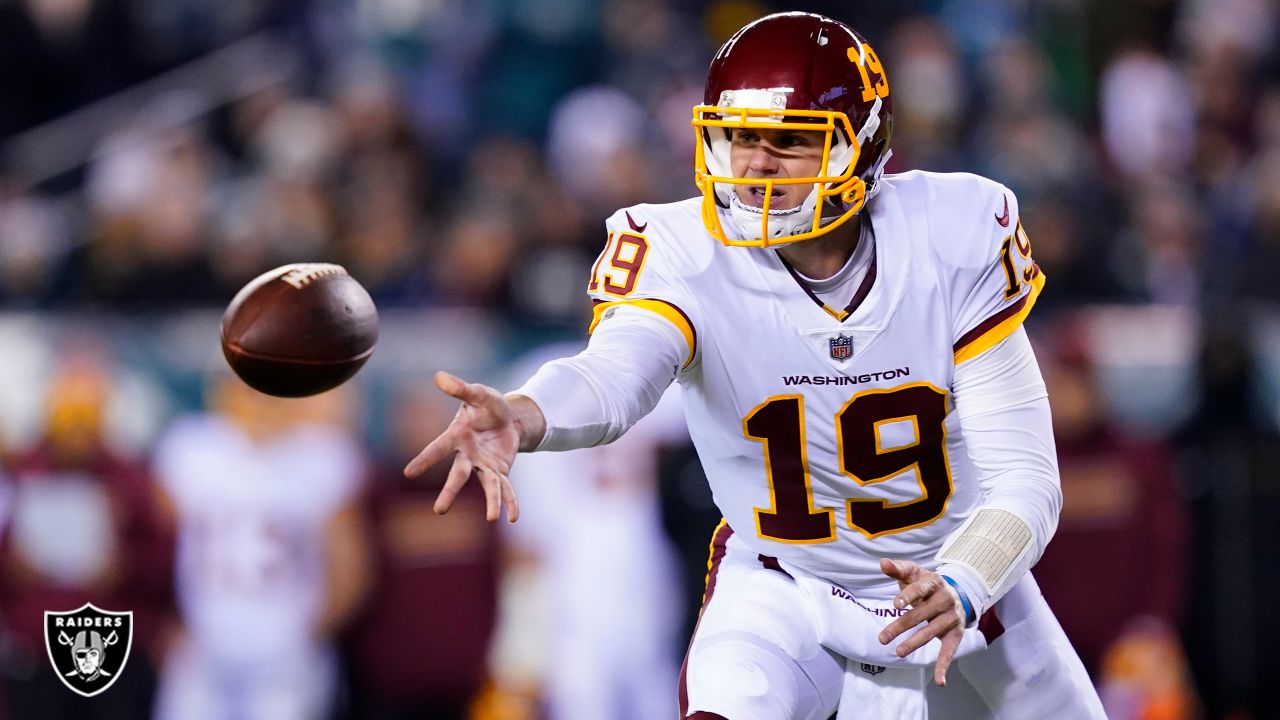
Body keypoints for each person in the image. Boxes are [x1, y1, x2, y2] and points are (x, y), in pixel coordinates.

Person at [405, 12, 1105, 719]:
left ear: (865, 148)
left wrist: (965, 580)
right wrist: (528, 414)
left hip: (960, 587)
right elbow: (615, 373)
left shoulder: (951, 233)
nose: (757, 165)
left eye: (791, 143)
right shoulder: (683, 249)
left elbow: (1026, 479)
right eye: (739, 138)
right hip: (787, 585)